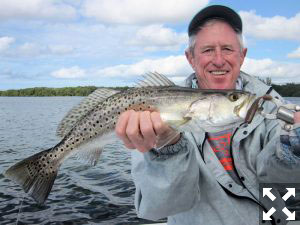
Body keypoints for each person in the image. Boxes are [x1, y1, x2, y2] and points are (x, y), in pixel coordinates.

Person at [115, 5, 300, 225]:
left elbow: (284, 193)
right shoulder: (153, 113)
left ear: (242, 56)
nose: (219, 60)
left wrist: (293, 149)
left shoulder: (277, 110)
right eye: (208, 50)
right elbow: (158, 208)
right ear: (190, 58)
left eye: (228, 49)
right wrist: (169, 149)